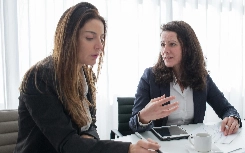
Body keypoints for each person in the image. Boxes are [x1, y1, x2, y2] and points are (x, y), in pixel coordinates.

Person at [14, 2, 160, 153]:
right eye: (90, 38)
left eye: (102, 38)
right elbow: (67, 144)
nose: (100, 46)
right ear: (68, 38)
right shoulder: (40, 77)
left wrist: (86, 136)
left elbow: (90, 125)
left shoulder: (86, 74)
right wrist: (128, 149)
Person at [129, 20, 242, 136]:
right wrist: (143, 117)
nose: (165, 50)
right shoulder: (149, 76)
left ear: (187, 48)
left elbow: (226, 109)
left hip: (193, 144)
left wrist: (233, 118)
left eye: (172, 44)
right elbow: (133, 125)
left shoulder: (202, 77)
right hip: (162, 145)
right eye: (163, 44)